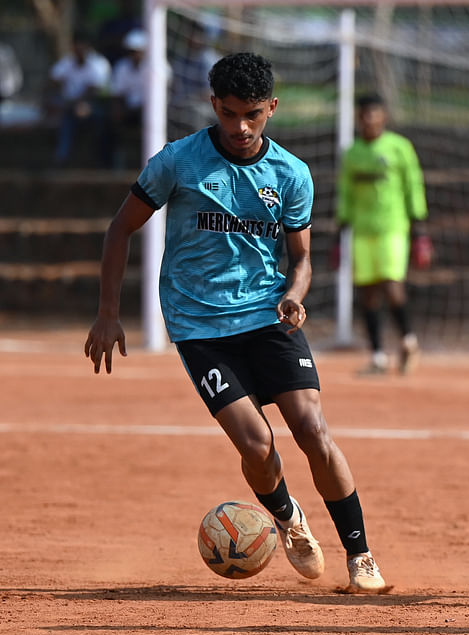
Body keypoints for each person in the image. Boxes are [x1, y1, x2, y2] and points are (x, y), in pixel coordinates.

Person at [84, 52, 389, 593]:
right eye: (228, 114)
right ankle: (288, 517)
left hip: (268, 315)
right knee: (256, 445)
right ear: (213, 105)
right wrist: (108, 313)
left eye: (251, 114)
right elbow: (118, 230)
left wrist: (295, 295)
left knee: (313, 431)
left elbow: (302, 259)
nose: (240, 127)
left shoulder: (291, 174)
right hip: (199, 326)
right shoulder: (177, 162)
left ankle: (360, 555)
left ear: (271, 107)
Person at [336, 92, 431, 375]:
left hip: (393, 228)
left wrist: (420, 230)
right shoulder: (352, 153)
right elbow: (346, 193)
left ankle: (408, 340)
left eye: (373, 113)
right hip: (362, 230)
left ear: (384, 116)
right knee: (367, 293)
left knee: (392, 285)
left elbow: (413, 185)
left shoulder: (399, 147)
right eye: (363, 114)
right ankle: (378, 356)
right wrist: (340, 231)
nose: (368, 119)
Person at [48, 31, 111, 165]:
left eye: (82, 47)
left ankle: (98, 159)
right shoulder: (67, 62)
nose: (78, 50)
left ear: (88, 48)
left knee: (78, 114)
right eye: (76, 47)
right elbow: (53, 81)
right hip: (70, 105)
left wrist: (80, 104)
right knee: (65, 114)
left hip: (96, 105)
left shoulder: (99, 64)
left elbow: (94, 90)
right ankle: (62, 157)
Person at [104, 29, 154, 168]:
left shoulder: (155, 66)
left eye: (136, 51)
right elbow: (118, 94)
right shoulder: (122, 67)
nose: (134, 55)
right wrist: (117, 110)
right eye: (131, 51)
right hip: (128, 110)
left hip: (149, 110)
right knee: (108, 121)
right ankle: (113, 166)